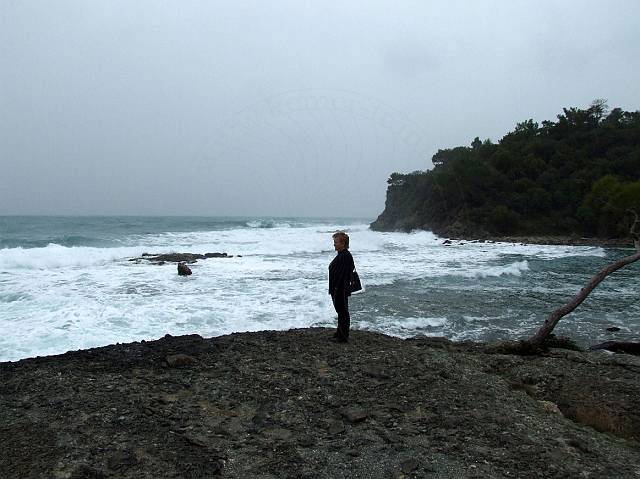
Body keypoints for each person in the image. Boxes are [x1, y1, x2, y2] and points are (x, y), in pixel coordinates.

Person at [328, 231, 355, 343]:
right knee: (341, 311)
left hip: (340, 288)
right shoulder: (342, 255)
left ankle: (343, 336)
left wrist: (337, 289)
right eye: (334, 242)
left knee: (343, 312)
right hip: (338, 288)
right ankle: (340, 332)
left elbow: (343, 275)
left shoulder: (345, 256)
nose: (334, 244)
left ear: (343, 243)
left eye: (336, 242)